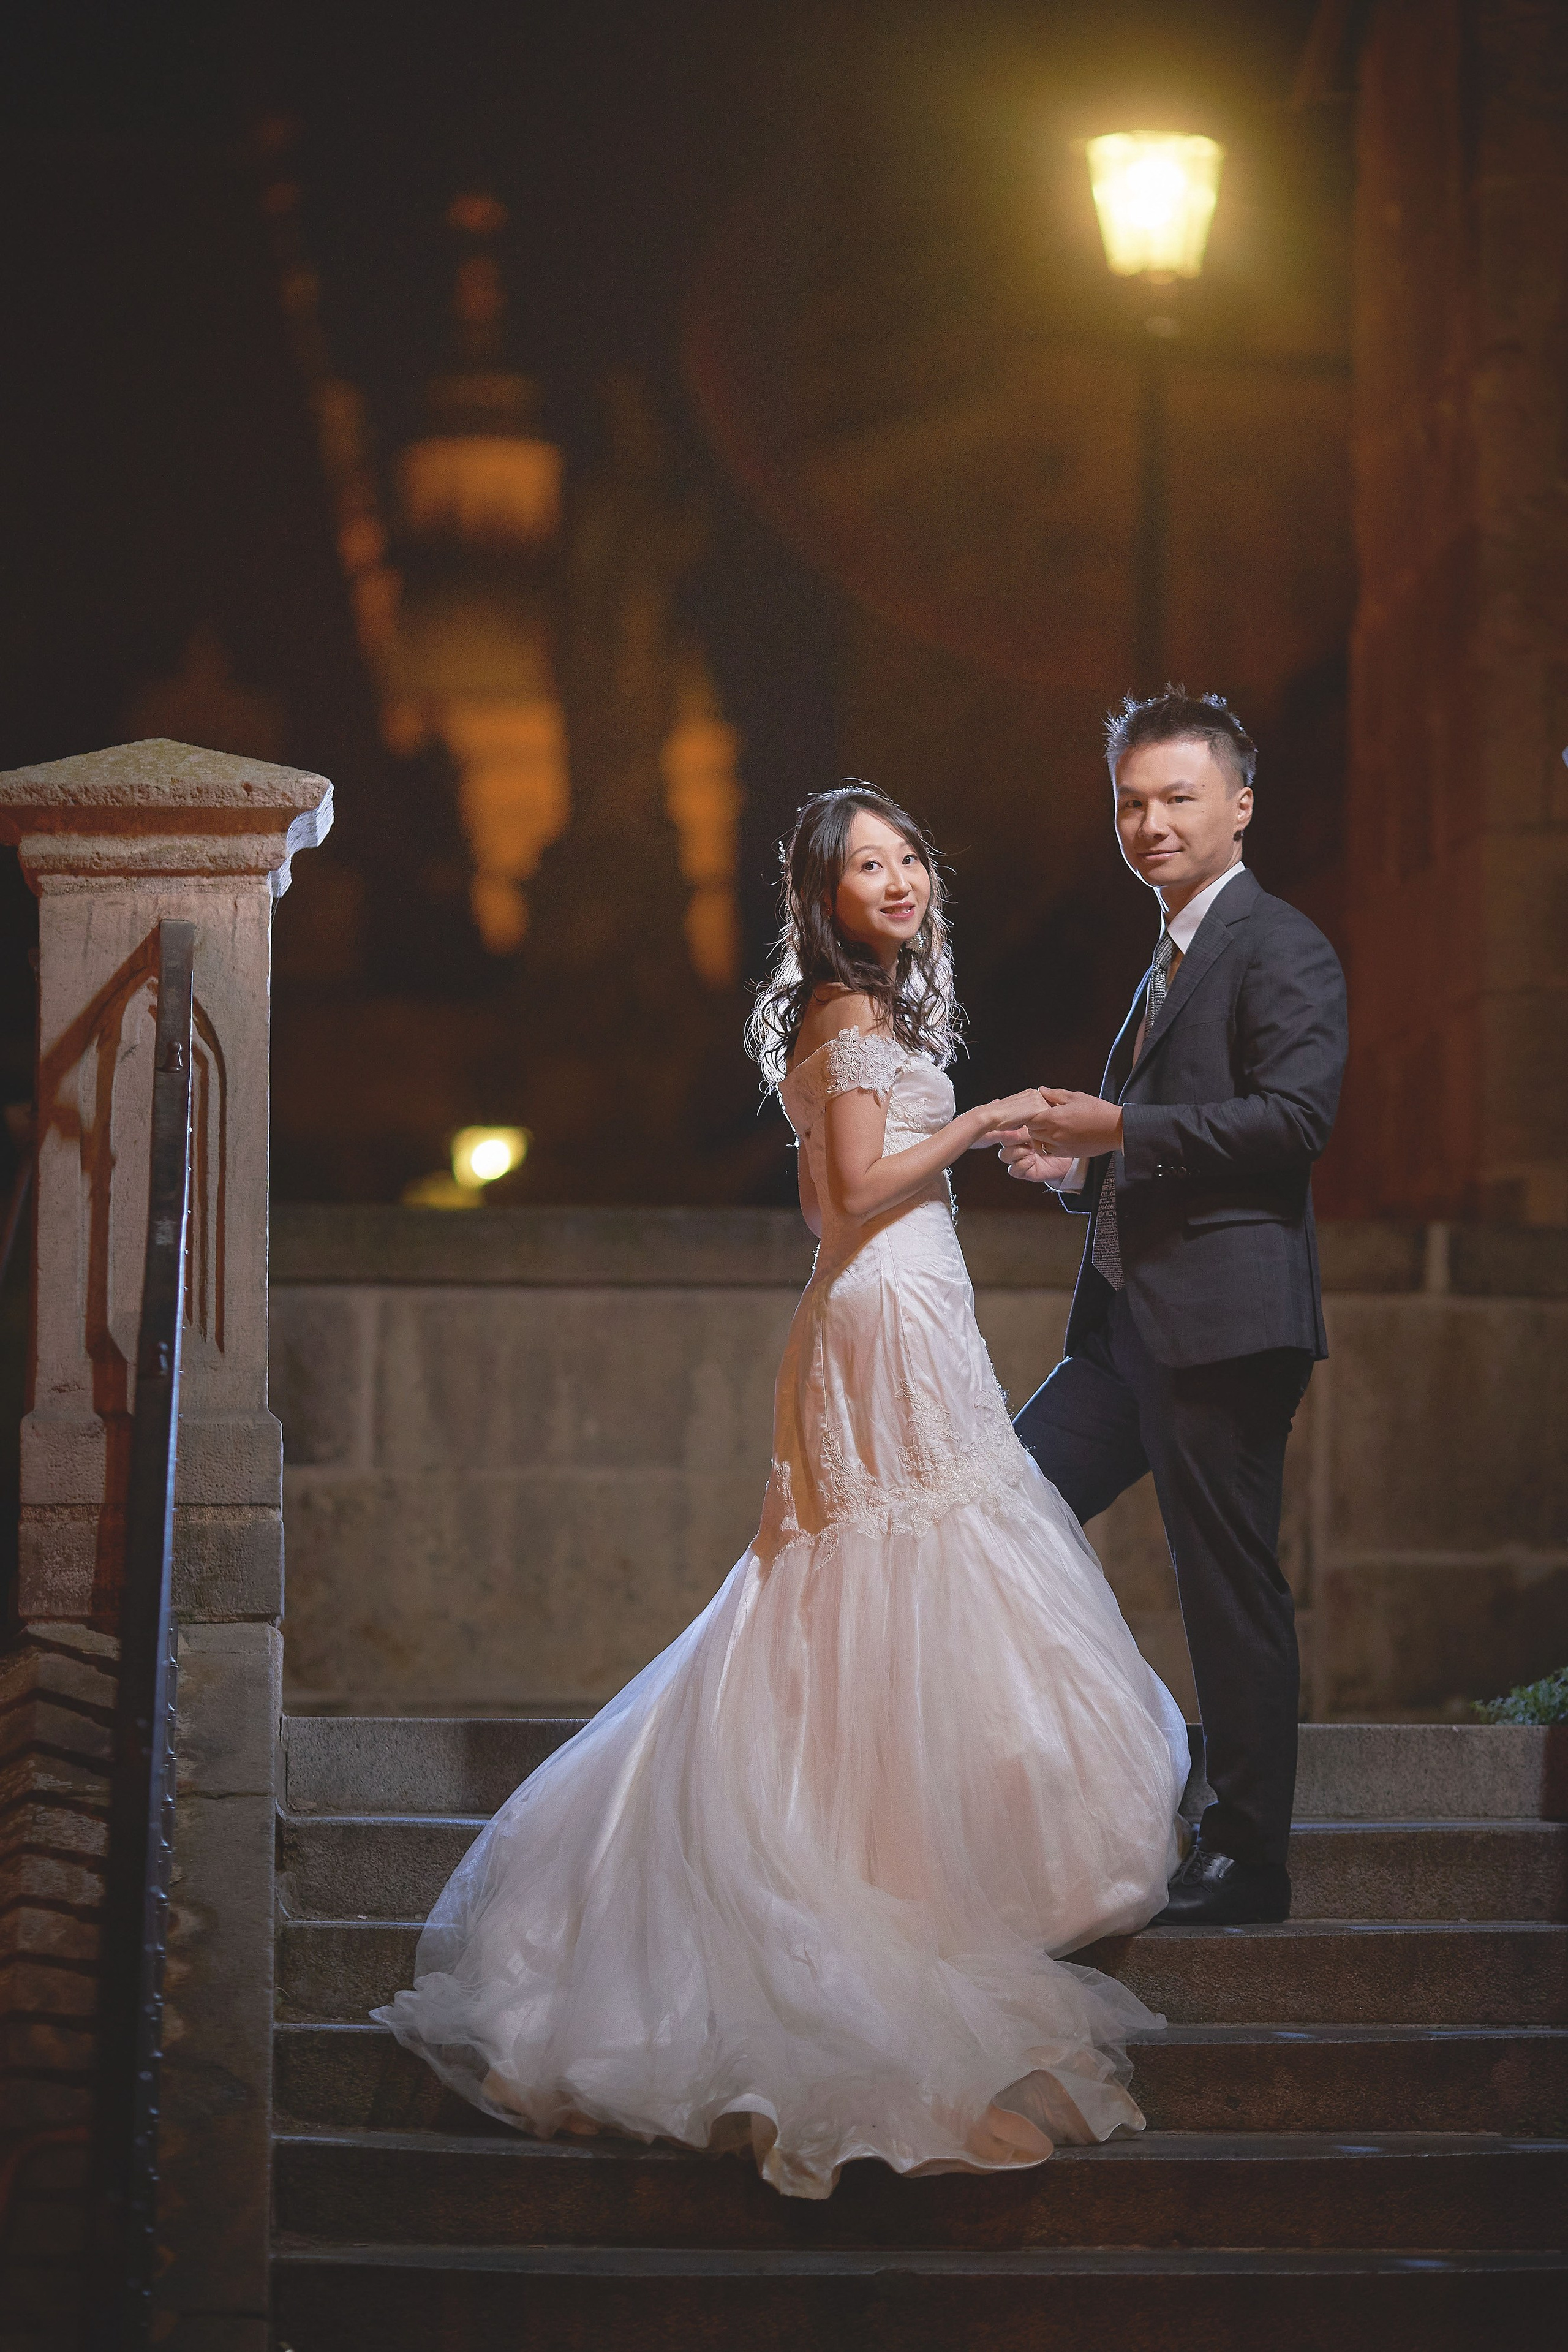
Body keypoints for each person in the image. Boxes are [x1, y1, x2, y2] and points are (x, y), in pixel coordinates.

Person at [375, 782, 1190, 2199]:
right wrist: (979, 1123)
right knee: (887, 1565)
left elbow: (828, 1200)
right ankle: (875, 1870)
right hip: (881, 1311)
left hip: (891, 1303)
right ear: (824, 895)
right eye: (867, 866)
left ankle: (903, 1844)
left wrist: (955, 1157)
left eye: (907, 856)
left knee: (895, 1571)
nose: (898, 880)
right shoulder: (846, 1008)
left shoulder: (858, 1010)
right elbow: (855, 1193)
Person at [1001, 687, 1348, 1927]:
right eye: (1129, 804)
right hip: (1121, 1330)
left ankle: (1248, 1857)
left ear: (1240, 806)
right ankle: (1038, 1798)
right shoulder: (1169, 953)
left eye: (1177, 799)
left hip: (1223, 1329)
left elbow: (1294, 1122)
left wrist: (1121, 1129)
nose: (1149, 824)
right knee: (993, 1510)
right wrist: (1079, 1171)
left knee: (1224, 1583)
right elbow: (1156, 1141)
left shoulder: (1279, 944)